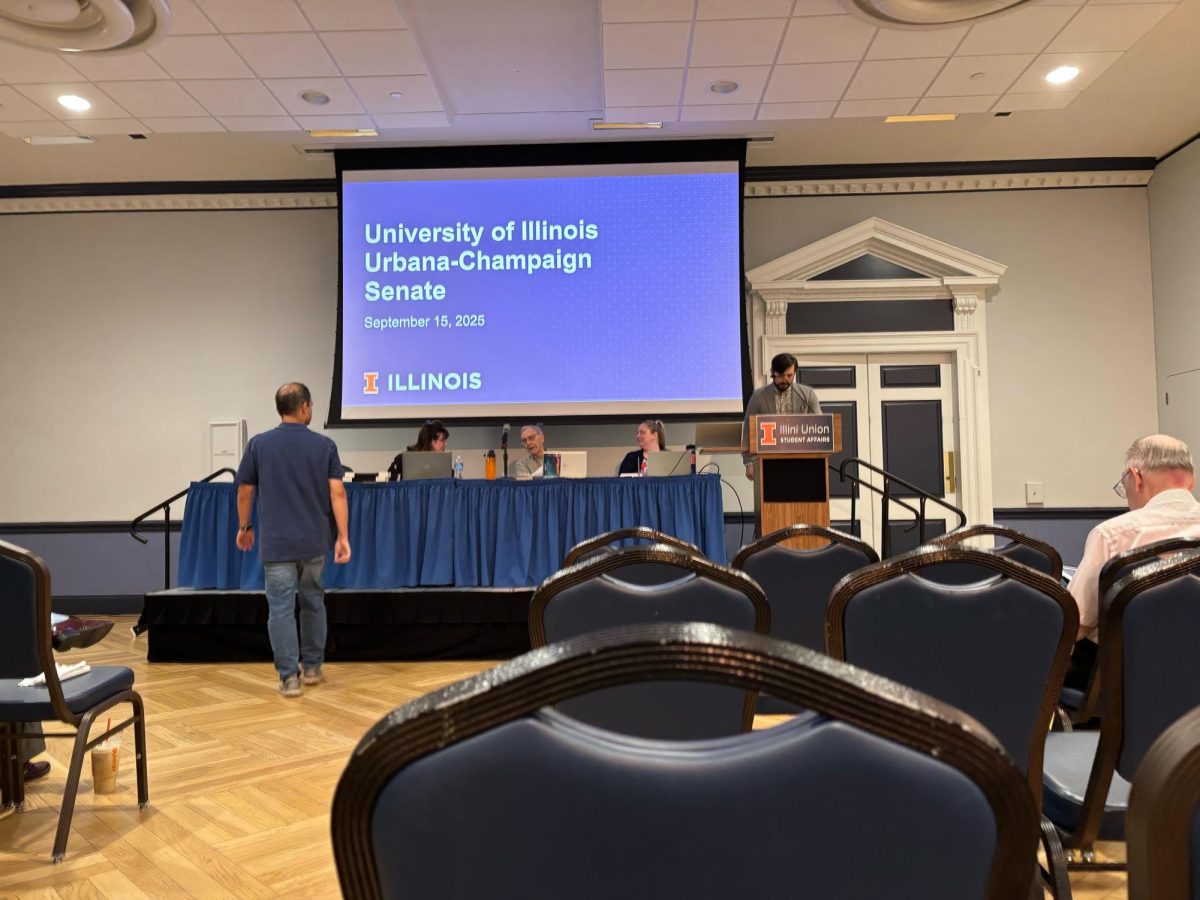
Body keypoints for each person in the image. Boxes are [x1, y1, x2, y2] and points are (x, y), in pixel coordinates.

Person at [235, 383, 351, 697]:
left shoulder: (259, 445)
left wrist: (245, 527)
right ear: (304, 408)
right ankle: (313, 667)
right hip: (314, 542)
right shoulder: (324, 446)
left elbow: (245, 491)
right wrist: (343, 536)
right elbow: (337, 492)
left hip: (277, 545)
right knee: (313, 602)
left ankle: (289, 678)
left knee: (281, 610)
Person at [1064, 434, 1200, 689]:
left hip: (1125, 683)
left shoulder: (1112, 535)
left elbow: (1076, 625)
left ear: (1135, 477)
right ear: (1189, 482)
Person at [742, 352, 822, 479]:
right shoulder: (758, 396)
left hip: (803, 462)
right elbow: (748, 430)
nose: (785, 379)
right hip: (768, 463)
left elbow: (820, 428)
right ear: (772, 373)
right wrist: (749, 462)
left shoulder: (808, 395)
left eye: (789, 375)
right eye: (780, 375)